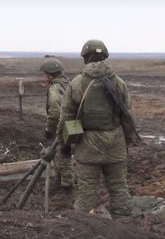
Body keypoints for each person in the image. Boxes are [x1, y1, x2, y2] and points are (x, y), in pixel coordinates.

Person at [56, 40, 136, 219]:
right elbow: (128, 118)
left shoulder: (76, 84)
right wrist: (127, 142)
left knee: (86, 192)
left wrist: (64, 145)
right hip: (115, 144)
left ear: (85, 57)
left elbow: (65, 118)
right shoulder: (119, 83)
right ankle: (124, 226)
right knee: (118, 188)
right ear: (105, 56)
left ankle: (83, 227)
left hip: (87, 147)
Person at [39, 57, 72, 188]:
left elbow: (55, 112)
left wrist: (49, 129)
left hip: (62, 127)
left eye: (45, 74)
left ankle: (66, 184)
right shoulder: (68, 84)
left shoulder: (55, 89)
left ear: (50, 74)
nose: (45, 77)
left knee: (62, 155)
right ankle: (61, 181)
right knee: (64, 153)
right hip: (71, 125)